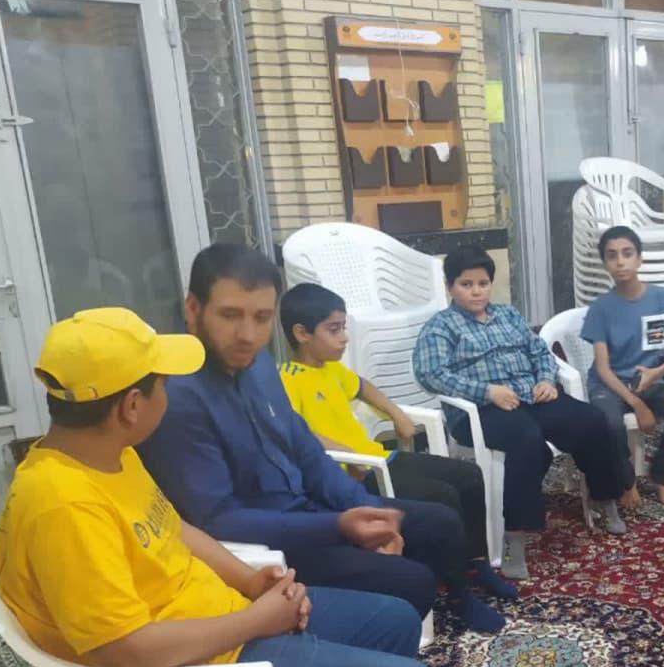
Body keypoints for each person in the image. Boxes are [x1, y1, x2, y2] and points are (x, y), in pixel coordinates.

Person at [0, 307, 436, 667]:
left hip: (216, 635)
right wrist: (258, 620)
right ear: (132, 405)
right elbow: (129, 655)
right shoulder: (63, 506)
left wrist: (249, 581)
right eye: (163, 384)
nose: (170, 395)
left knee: (394, 621)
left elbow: (174, 528)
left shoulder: (107, 453)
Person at [138, 243, 507, 634]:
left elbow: (306, 450)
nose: (248, 335)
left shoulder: (258, 365)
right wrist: (339, 526)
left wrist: (366, 511)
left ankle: (460, 599)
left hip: (310, 508)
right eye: (230, 315)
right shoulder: (176, 398)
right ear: (193, 309)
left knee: (440, 523)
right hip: (268, 544)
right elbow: (220, 520)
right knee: (410, 581)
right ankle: (365, 638)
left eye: (262, 318)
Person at [278, 282, 516, 599]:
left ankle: (476, 564)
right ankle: (458, 590)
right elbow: (295, 432)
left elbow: (362, 386)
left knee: (469, 475)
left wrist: (396, 413)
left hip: (378, 456)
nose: (344, 337)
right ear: (302, 333)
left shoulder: (331, 369)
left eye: (344, 328)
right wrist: (345, 454)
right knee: (442, 495)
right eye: (334, 330)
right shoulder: (286, 379)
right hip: (356, 474)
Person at [413, 246, 626, 572]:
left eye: (483, 283)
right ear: (449, 286)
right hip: (480, 410)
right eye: (466, 284)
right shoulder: (441, 327)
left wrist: (546, 380)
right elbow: (431, 374)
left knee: (592, 421)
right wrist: (487, 392)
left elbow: (540, 352)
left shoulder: (509, 315)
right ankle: (514, 537)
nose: (476, 291)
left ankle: (603, 498)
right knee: (527, 440)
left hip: (531, 396)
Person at [582, 226, 664, 509]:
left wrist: (656, 373)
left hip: (647, 379)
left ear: (639, 258)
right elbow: (603, 369)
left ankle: (661, 477)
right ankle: (627, 482)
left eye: (627, 253)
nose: (620, 261)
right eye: (612, 256)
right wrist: (637, 404)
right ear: (605, 263)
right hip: (608, 385)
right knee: (610, 424)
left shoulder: (662, 298)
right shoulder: (600, 308)